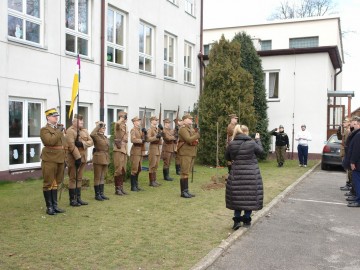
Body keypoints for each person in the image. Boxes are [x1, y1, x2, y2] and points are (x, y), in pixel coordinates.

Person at [225, 124, 264, 230]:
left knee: (238, 197)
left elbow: (227, 157)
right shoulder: (252, 143)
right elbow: (261, 152)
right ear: (246, 132)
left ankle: (236, 220)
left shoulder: (232, 144)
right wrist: (258, 140)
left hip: (237, 173)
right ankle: (247, 219)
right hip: (251, 174)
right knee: (249, 197)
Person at [40, 108, 66, 215]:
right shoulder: (44, 130)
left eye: (57, 116)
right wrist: (59, 131)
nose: (56, 117)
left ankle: (55, 206)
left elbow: (63, 144)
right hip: (49, 159)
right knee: (48, 183)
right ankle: (49, 207)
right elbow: (50, 141)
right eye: (54, 116)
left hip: (60, 158)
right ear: (48, 117)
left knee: (56, 182)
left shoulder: (58, 129)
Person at [65, 114, 94, 206]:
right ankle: (72, 200)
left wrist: (82, 143)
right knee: (73, 178)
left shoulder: (84, 131)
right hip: (74, 159)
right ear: (75, 122)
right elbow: (71, 145)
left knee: (79, 178)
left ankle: (78, 198)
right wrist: (77, 157)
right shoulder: (70, 131)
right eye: (80, 121)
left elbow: (91, 142)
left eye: (82, 121)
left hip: (83, 158)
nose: (83, 122)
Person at [177, 114, 200, 198]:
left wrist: (195, 133)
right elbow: (189, 139)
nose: (191, 120)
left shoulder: (190, 128)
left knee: (187, 172)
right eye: (189, 119)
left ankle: (186, 190)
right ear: (184, 120)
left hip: (190, 152)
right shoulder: (183, 129)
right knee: (184, 172)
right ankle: (183, 192)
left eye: (191, 119)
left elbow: (193, 138)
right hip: (185, 153)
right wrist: (197, 135)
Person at [342, 116, 360, 207]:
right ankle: (357, 197)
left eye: (355, 124)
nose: (353, 126)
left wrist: (352, 162)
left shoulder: (358, 134)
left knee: (357, 181)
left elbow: (356, 150)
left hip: (357, 163)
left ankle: (358, 200)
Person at [90, 121, 110, 201]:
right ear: (99, 128)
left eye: (104, 127)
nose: (104, 129)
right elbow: (91, 134)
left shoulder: (104, 137)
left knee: (102, 176)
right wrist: (98, 126)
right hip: (98, 157)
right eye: (102, 127)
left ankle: (101, 193)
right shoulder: (96, 136)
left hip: (105, 157)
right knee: (97, 177)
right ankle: (97, 194)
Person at [113, 111, 129, 195]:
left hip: (124, 149)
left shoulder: (125, 126)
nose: (126, 118)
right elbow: (117, 124)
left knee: (123, 169)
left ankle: (121, 188)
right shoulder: (118, 125)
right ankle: (117, 189)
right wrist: (121, 119)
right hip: (119, 149)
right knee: (118, 169)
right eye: (125, 117)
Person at [129, 116, 145, 191]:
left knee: (139, 168)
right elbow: (132, 140)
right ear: (134, 122)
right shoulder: (133, 130)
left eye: (139, 121)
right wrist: (141, 140)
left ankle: (136, 185)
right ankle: (133, 186)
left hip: (140, 151)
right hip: (135, 151)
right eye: (137, 121)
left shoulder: (139, 130)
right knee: (134, 169)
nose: (139, 122)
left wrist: (145, 133)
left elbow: (145, 139)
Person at [146, 116, 163, 187]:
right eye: (155, 120)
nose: (156, 121)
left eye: (156, 120)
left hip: (158, 148)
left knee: (156, 165)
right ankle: (151, 181)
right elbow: (148, 139)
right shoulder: (150, 129)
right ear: (151, 121)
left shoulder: (157, 129)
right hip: (153, 148)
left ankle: (154, 180)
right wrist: (156, 137)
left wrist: (161, 131)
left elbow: (160, 140)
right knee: (152, 165)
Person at [337, 118, 352, 191]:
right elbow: (340, 137)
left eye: (345, 122)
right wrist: (339, 129)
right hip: (343, 151)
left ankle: (349, 184)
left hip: (346, 152)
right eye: (343, 122)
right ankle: (348, 183)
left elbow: (347, 143)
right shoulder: (345, 131)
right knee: (346, 169)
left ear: (349, 123)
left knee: (348, 170)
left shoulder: (348, 131)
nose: (343, 123)